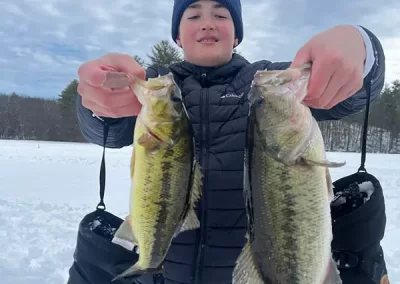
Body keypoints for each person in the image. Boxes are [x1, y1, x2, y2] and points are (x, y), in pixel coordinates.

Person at [69, 0, 389, 283]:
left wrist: (360, 47)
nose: (207, 22)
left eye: (221, 15)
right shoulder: (157, 87)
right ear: (177, 36)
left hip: (259, 270)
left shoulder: (266, 85)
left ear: (236, 35)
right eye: (193, 16)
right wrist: (100, 98)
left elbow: (358, 93)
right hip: (169, 274)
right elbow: (106, 130)